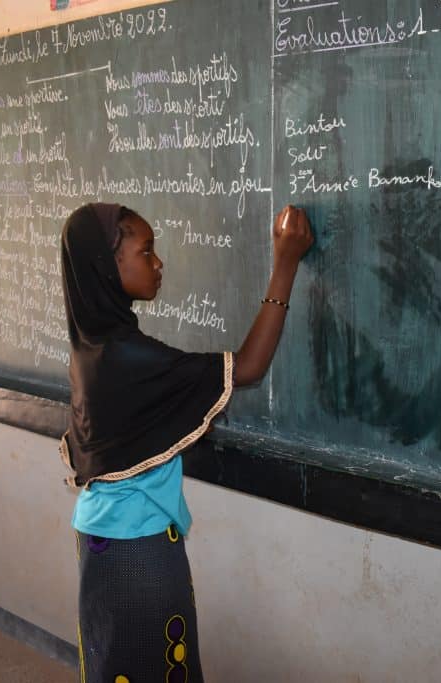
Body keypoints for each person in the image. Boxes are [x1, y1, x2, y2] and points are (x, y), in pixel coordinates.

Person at [59, 202, 313, 682]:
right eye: (146, 251)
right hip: (138, 548)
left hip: (105, 540)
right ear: (106, 267)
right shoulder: (124, 355)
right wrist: (285, 265)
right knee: (158, 665)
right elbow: (250, 367)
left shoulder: (92, 346)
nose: (158, 264)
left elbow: (134, 430)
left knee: (120, 663)